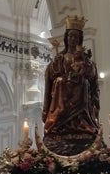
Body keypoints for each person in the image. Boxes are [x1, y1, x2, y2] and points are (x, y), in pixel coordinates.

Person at [42, 16, 100, 149]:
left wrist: (87, 65)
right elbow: (51, 75)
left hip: (80, 90)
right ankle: (59, 123)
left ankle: (81, 124)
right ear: (66, 38)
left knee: (84, 83)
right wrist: (55, 66)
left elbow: (92, 76)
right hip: (62, 89)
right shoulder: (61, 57)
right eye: (70, 36)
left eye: (75, 37)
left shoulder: (84, 58)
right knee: (60, 82)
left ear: (79, 39)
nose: (72, 39)